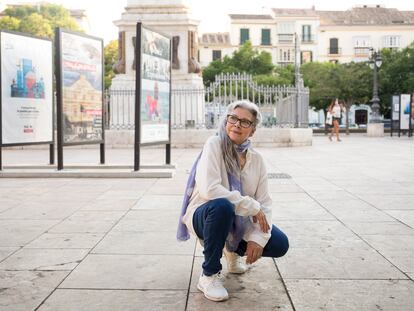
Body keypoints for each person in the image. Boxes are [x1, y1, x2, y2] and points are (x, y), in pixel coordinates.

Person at [176, 100, 289, 302]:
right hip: (205, 213)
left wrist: (257, 238)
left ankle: (231, 248)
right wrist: (251, 206)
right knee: (222, 206)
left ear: (252, 130)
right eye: (233, 118)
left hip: (238, 219)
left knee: (280, 244)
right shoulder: (214, 144)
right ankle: (209, 275)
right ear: (227, 120)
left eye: (245, 122)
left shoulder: (257, 160)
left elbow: (265, 202)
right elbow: (209, 189)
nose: (237, 124)